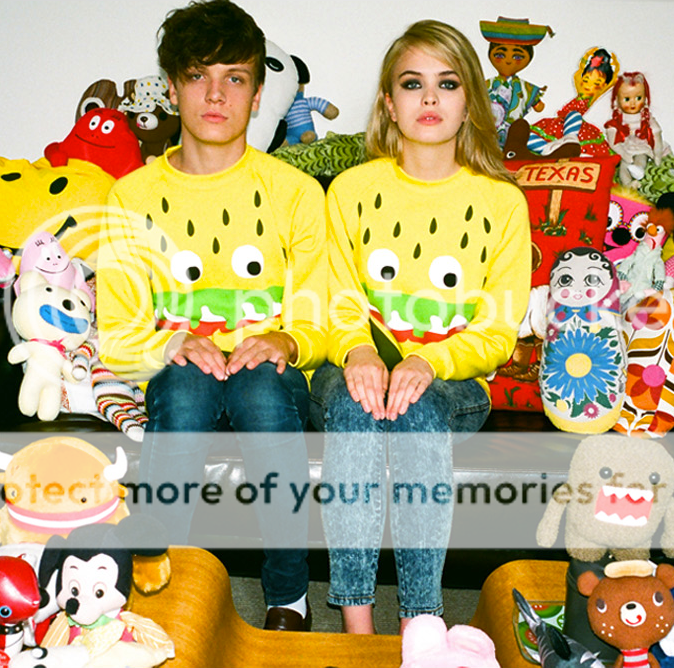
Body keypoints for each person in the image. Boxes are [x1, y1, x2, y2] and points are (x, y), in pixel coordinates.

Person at [95, 0, 326, 632]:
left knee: (262, 394)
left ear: (258, 94)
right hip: (178, 368)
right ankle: (160, 587)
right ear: (172, 89)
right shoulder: (132, 195)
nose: (216, 94)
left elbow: (319, 313)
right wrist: (170, 344)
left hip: (268, 372)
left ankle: (289, 596)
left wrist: (286, 340)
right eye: (198, 75)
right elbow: (117, 331)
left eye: (235, 77)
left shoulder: (297, 193)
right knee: (186, 391)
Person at [309, 20, 531, 634]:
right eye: (412, 84)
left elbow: (497, 330)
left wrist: (428, 362)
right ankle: (357, 629)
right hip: (353, 367)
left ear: (470, 102)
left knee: (417, 413)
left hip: (453, 383)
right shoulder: (349, 190)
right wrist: (357, 351)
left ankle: (421, 625)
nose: (429, 98)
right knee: (355, 407)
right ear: (389, 102)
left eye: (447, 83)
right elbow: (335, 298)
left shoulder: (502, 203)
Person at [478, 17, 554, 149]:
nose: (508, 61)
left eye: (517, 57)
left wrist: (536, 101)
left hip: (514, 134)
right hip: (487, 134)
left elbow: (539, 106)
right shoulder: (487, 84)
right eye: (500, 55)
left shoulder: (524, 87)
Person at [604, 71, 669, 187]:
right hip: (625, 150)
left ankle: (638, 170)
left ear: (645, 99)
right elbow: (614, 143)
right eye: (627, 99)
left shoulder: (647, 120)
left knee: (641, 159)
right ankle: (628, 184)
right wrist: (625, 155)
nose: (633, 103)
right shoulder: (615, 124)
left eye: (638, 98)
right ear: (616, 100)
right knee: (624, 166)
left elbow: (657, 135)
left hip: (641, 148)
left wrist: (657, 157)